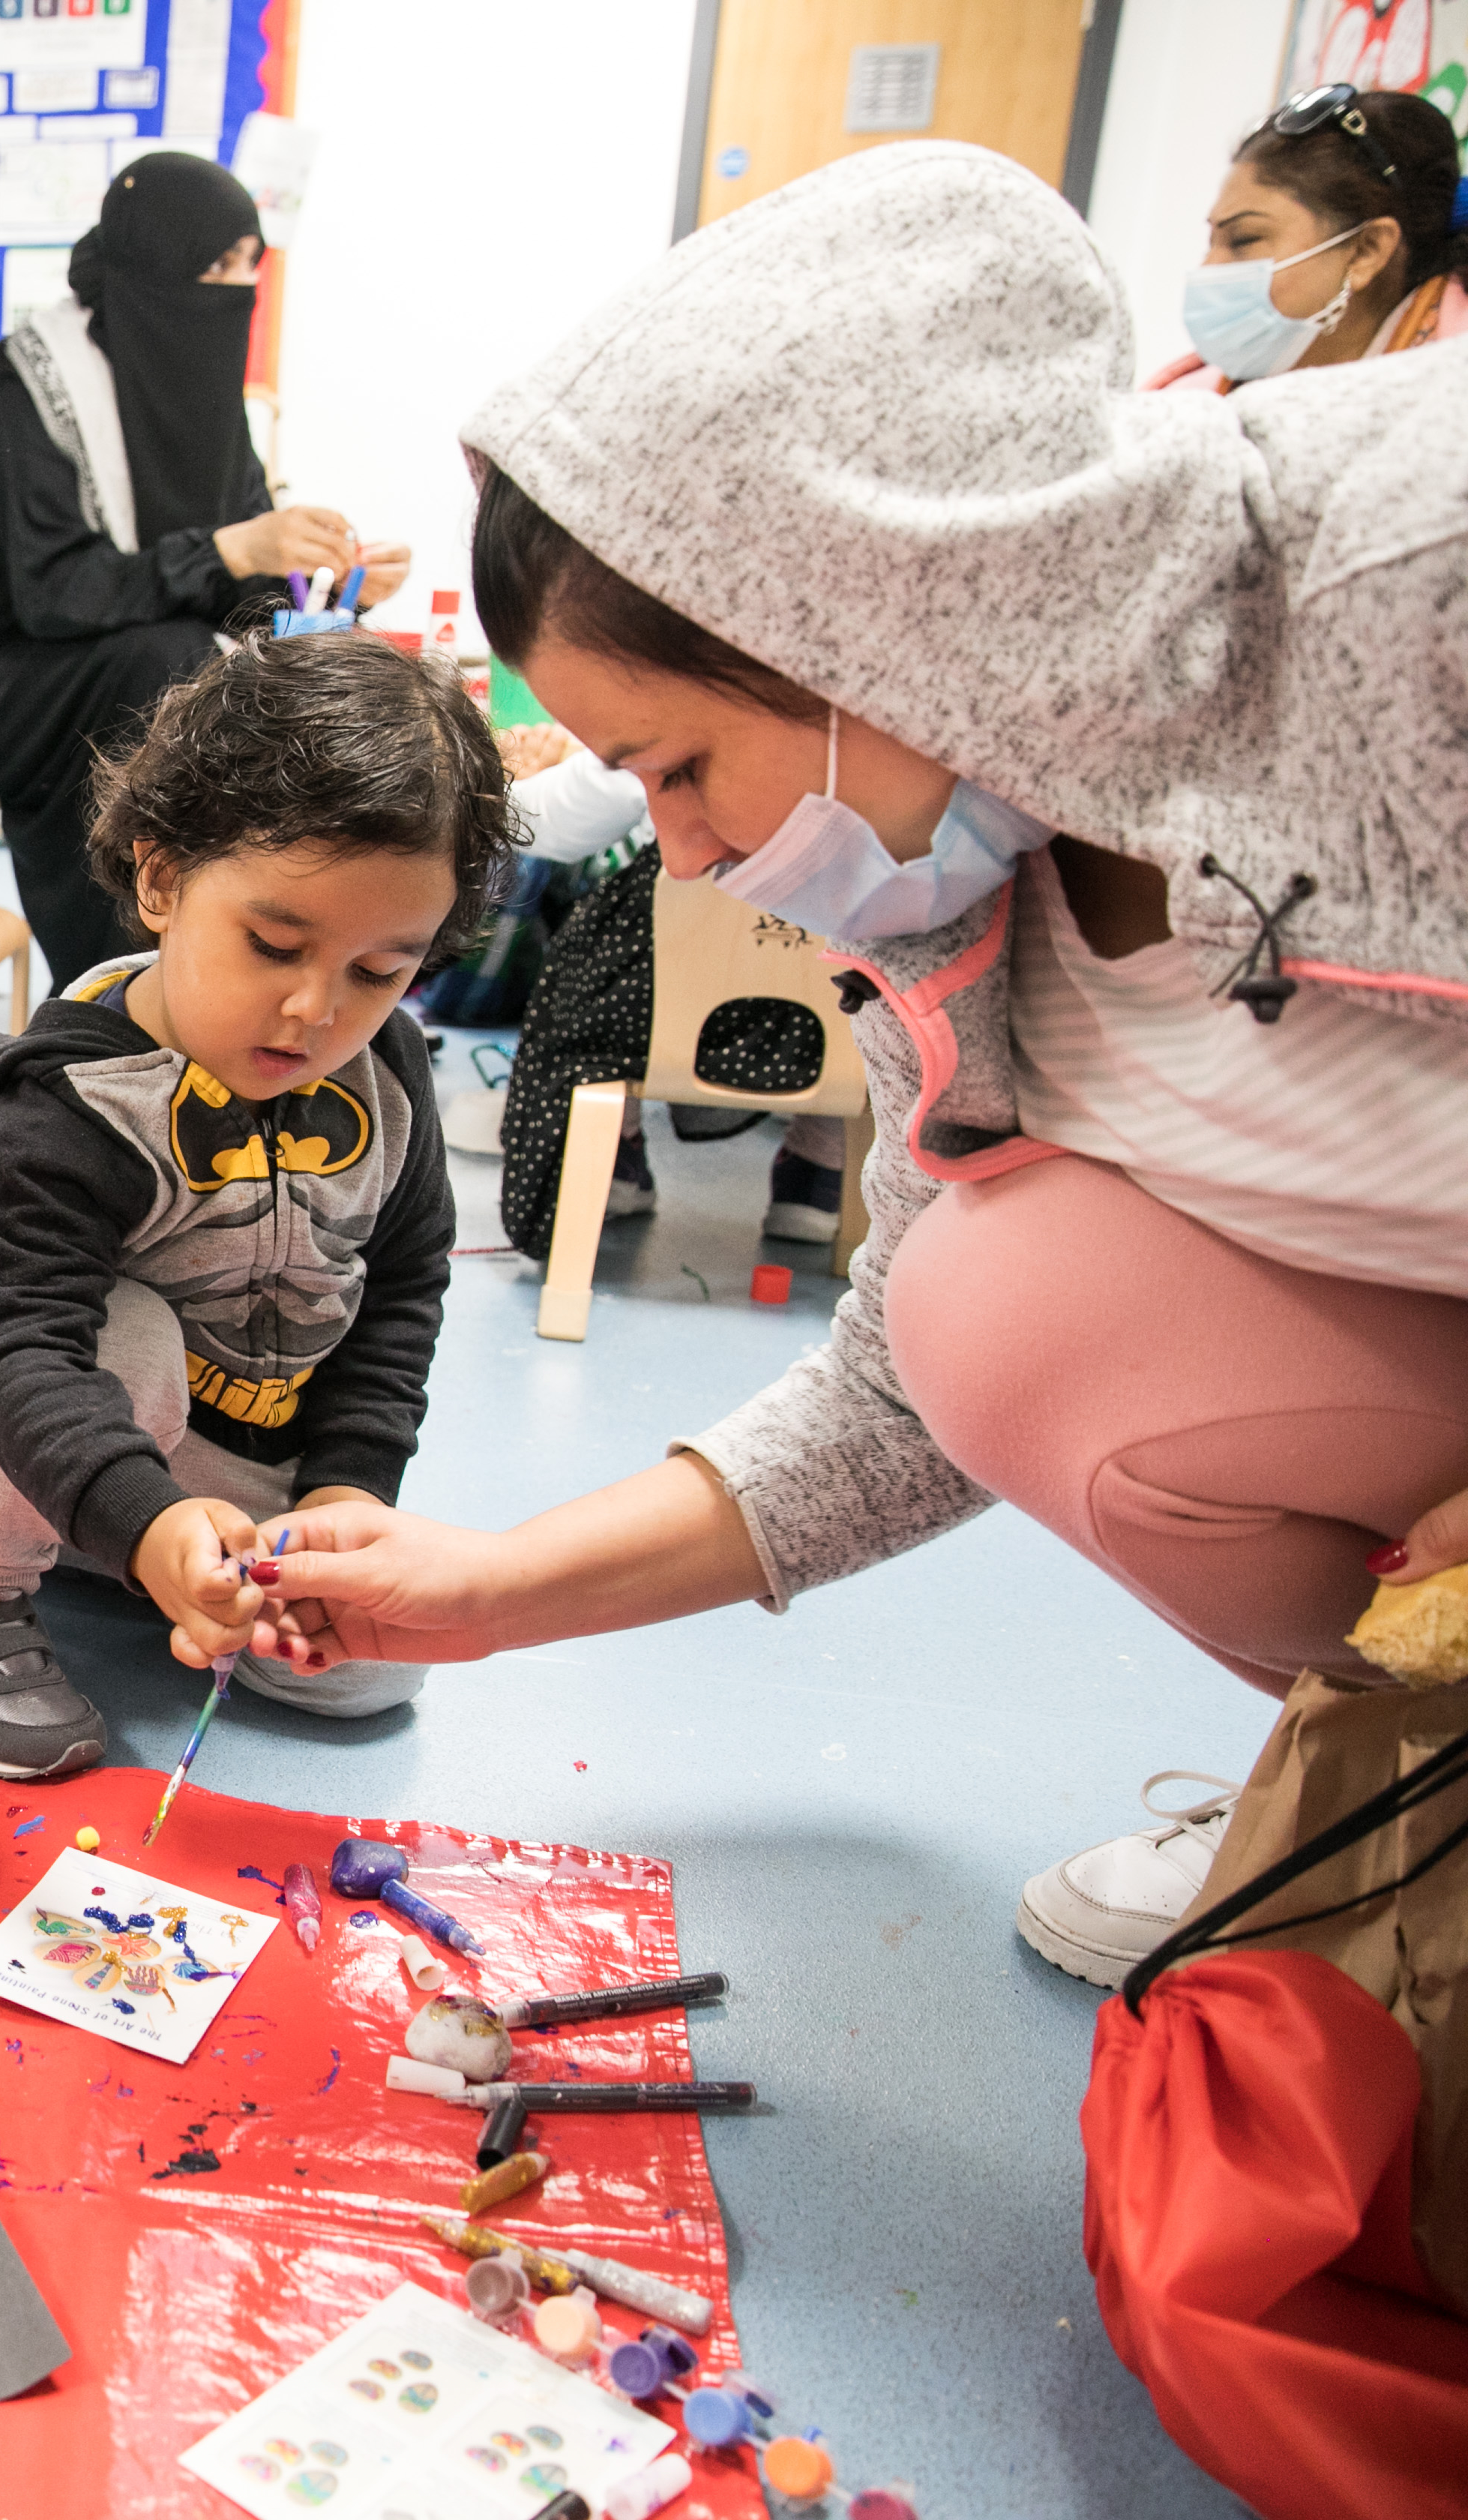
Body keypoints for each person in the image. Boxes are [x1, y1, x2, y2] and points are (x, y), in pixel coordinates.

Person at [240, 143, 1468, 1989]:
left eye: (675, 766)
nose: (679, 854)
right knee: (997, 1307)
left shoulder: (1406, 569)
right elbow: (902, 1399)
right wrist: (489, 1595)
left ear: (862, 618)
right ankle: (1400, 1785)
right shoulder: (946, 891)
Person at [0, 635, 502, 1778]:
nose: (317, 1008)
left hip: (217, 1449)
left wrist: (346, 1500)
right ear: (162, 881)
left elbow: (402, 1292)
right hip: (20, 1410)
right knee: (136, 1338)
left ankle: (109, 1542)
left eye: (381, 971)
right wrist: (155, 1523)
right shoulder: (72, 1097)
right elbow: (21, 1348)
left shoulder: (392, 1080)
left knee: (373, 1672)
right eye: (274, 944)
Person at [0, 154, 412, 988]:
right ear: (158, 264)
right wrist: (233, 549)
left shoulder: (198, 391)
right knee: (164, 666)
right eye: (218, 265)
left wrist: (325, 583)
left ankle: (246, 953)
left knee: (256, 672)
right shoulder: (32, 392)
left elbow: (235, 586)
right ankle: (118, 982)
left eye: (249, 268)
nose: (237, 289)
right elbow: (55, 593)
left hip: (92, 681)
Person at [474, 724, 857, 1251]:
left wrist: (519, 783)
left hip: (669, 1022)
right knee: (859, 971)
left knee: (585, 979)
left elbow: (560, 819)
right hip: (838, 1019)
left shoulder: (684, 716)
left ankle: (612, 1158)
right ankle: (818, 1172)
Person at [1158, 80, 1464, 389]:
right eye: (1212, 243)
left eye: (1244, 240)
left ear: (1366, 252)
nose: (1208, 270)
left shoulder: (1452, 404)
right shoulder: (1179, 406)